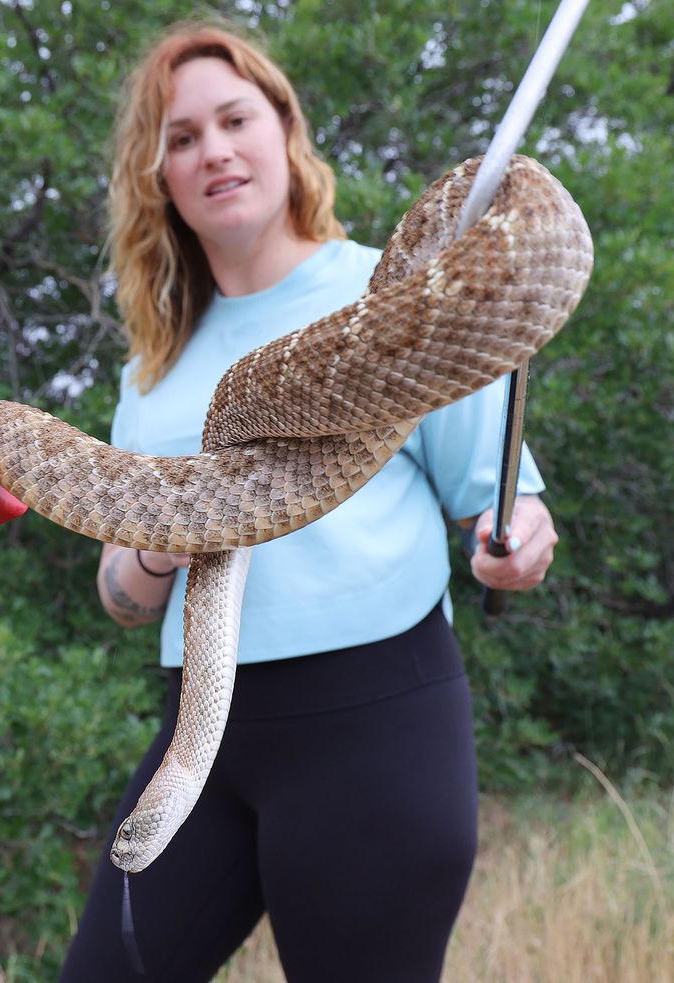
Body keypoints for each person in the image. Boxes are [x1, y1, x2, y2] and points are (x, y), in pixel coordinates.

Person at [60, 21, 559, 983]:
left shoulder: (395, 294)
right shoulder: (152, 369)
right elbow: (121, 596)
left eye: (234, 119)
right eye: (181, 138)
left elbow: (504, 508)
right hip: (200, 738)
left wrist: (515, 542)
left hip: (376, 723)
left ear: (284, 130)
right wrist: (166, 538)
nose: (214, 151)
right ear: (159, 178)